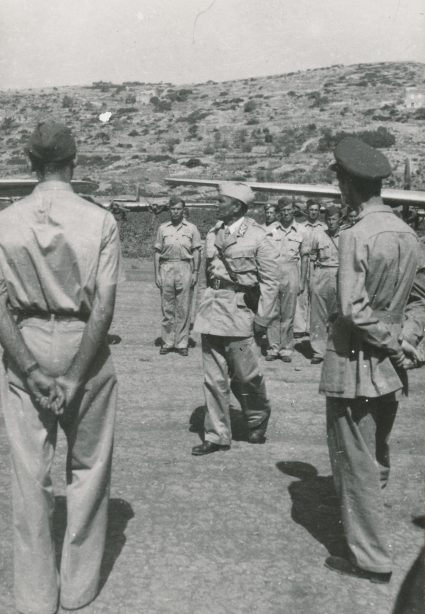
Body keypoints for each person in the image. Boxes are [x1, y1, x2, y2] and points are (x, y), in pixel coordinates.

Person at [0, 119, 121, 613]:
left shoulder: (5, 220)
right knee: (89, 467)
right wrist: (73, 375)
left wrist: (28, 368)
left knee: (29, 475)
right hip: (84, 345)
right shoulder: (99, 220)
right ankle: (77, 588)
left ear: (29, 164)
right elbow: (105, 305)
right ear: (74, 162)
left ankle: (34, 595)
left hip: (24, 337)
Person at [320, 136, 418, 583]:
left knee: (353, 459)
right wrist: (407, 339)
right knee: (375, 455)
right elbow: (419, 301)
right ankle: (368, 531)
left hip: (358, 363)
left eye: (340, 182)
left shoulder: (355, 234)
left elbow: (352, 309)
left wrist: (392, 343)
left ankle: (371, 557)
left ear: (349, 185)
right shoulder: (406, 232)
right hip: (390, 370)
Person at [192, 182, 278, 455]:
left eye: (220, 201)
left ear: (237, 206)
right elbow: (206, 276)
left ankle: (256, 418)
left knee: (247, 375)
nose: (216, 205)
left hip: (240, 318)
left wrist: (263, 319)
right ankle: (217, 435)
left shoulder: (257, 236)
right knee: (213, 379)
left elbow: (270, 282)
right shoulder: (213, 233)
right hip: (212, 314)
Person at [154, 196, 201, 356]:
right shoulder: (163, 228)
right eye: (173, 209)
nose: (175, 212)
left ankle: (182, 343)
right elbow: (157, 253)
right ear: (169, 210)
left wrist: (195, 272)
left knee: (183, 307)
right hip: (166, 267)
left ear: (183, 210)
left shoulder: (191, 228)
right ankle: (167, 342)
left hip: (185, 267)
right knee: (167, 308)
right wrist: (157, 274)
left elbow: (196, 251)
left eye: (178, 209)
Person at [265, 197, 309, 362]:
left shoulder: (301, 230)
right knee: (272, 312)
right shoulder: (271, 229)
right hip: (273, 272)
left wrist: (303, 281)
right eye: (283, 211)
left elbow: (305, 258)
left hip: (291, 272)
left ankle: (285, 349)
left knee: (288, 314)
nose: (286, 213)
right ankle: (273, 348)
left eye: (289, 210)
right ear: (279, 212)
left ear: (293, 211)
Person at [309, 205, 342, 364]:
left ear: (340, 220)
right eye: (328, 219)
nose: (331, 222)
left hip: (338, 274)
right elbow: (312, 259)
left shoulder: (345, 236)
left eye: (334, 219)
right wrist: (311, 279)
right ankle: (318, 351)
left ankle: (335, 349)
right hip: (321, 273)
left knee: (338, 315)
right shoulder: (319, 235)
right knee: (317, 315)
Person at [294, 199, 326, 337]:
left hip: (317, 262)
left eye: (316, 210)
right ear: (307, 211)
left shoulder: (324, 227)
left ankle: (311, 326)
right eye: (311, 210)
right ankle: (299, 328)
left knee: (315, 293)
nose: (313, 212)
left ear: (319, 212)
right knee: (301, 292)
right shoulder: (301, 226)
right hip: (302, 262)